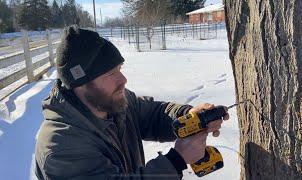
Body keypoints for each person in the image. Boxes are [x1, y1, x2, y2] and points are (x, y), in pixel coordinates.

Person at [35, 25, 229, 180]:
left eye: (120, 68)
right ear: (80, 83)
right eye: (111, 73)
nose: (123, 80)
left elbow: (153, 115)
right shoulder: (61, 147)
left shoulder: (111, 100)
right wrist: (177, 160)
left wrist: (190, 116)